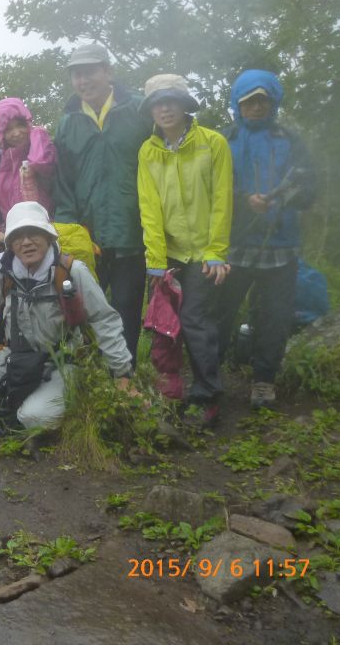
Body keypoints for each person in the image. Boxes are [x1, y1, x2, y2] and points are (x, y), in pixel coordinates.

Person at [0, 202, 133, 435]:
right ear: (10, 243)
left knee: (34, 417)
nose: (26, 242)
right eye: (18, 236)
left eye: (34, 233)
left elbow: (104, 320)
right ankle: (10, 407)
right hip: (17, 357)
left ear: (48, 236)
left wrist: (122, 373)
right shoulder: (1, 267)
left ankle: (47, 401)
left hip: (63, 362)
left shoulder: (72, 271)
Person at [217, 70, 317, 409]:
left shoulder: (289, 139)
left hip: (281, 245)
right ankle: (210, 373)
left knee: (275, 316)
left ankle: (263, 380)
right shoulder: (224, 140)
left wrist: (281, 199)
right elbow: (210, 186)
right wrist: (245, 199)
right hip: (234, 244)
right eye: (248, 101)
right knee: (221, 311)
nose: (256, 107)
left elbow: (310, 188)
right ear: (237, 103)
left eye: (262, 100)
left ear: (273, 102)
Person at [137, 74, 233, 427]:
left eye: (171, 100)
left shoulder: (213, 143)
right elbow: (150, 209)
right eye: (157, 103)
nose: (164, 108)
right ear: (150, 110)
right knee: (164, 326)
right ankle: (170, 393)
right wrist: (156, 261)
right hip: (169, 253)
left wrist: (216, 251)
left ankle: (207, 396)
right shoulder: (148, 151)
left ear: (183, 104)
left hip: (205, 254)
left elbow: (222, 200)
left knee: (195, 321)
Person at [52, 44, 152, 364]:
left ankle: (125, 374)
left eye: (90, 72)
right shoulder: (68, 123)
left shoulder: (139, 110)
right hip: (87, 234)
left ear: (107, 71)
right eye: (77, 74)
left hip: (131, 229)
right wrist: (71, 232)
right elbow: (62, 182)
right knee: (81, 307)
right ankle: (90, 375)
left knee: (127, 305)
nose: (83, 80)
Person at [0, 97, 57, 248]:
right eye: (8, 129)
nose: (16, 133)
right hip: (13, 239)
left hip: (50, 234)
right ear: (0, 133)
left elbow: (44, 165)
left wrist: (38, 135)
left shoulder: (44, 149)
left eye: (20, 125)